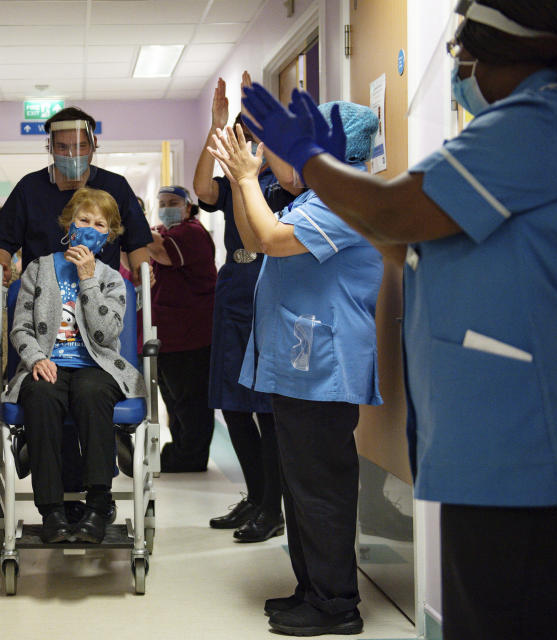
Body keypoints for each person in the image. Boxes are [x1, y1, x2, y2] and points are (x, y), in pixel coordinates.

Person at [239, 2, 557, 637]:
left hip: (519, 440)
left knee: (504, 607)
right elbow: (405, 242)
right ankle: (317, 592)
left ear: (519, 51)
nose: (461, 67)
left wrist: (308, 157)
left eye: (467, 53)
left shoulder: (532, 122)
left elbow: (389, 217)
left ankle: (331, 601)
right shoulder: (516, 128)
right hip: (491, 436)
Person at [209, 100, 382, 636]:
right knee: (301, 486)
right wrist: (244, 184)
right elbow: (251, 234)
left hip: (324, 371)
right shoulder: (310, 200)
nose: (273, 155)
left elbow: (267, 240)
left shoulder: (344, 200)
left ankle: (337, 605)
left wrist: (245, 175)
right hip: (299, 366)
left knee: (320, 488)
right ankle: (312, 590)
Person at [3, 187, 147, 544]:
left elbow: (104, 334)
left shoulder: (113, 279)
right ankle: (51, 511)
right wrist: (37, 358)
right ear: (69, 223)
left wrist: (87, 278)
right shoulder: (38, 269)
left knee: (91, 390)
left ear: (108, 236)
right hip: (47, 363)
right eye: (83, 219)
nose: (90, 228)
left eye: (100, 224)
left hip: (98, 365)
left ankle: (98, 505)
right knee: (39, 394)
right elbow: (20, 326)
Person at [195, 75, 299, 541]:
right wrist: (215, 127)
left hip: (265, 284)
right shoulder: (235, 180)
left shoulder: (286, 181)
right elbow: (201, 189)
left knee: (265, 407)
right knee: (232, 404)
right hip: (233, 286)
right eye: (241, 133)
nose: (248, 140)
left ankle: (272, 507)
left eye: (254, 132)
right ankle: (256, 497)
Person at [0, 106, 153, 283]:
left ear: (93, 144)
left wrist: (141, 271)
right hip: (40, 293)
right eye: (62, 147)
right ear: (50, 147)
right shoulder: (29, 188)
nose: (71, 155)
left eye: (80, 146)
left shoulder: (115, 187)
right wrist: (1, 268)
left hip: (99, 295)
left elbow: (136, 241)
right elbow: (2, 241)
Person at [146, 186, 217, 473]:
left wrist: (127, 222)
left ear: (188, 207)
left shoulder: (192, 233)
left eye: (173, 202)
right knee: (175, 401)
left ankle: (191, 456)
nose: (167, 207)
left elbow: (162, 252)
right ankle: (181, 450)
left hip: (192, 334)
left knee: (190, 401)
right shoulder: (163, 231)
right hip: (170, 334)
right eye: (162, 203)